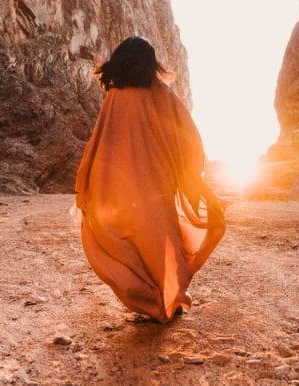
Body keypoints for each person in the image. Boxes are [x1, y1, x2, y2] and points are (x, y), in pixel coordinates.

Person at [75, 37, 225, 323]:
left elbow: (97, 146)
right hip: (159, 180)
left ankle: (150, 298)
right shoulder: (163, 95)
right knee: (162, 237)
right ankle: (169, 297)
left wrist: (89, 184)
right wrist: (188, 174)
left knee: (131, 240)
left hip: (122, 186)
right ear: (150, 64)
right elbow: (189, 137)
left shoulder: (114, 98)